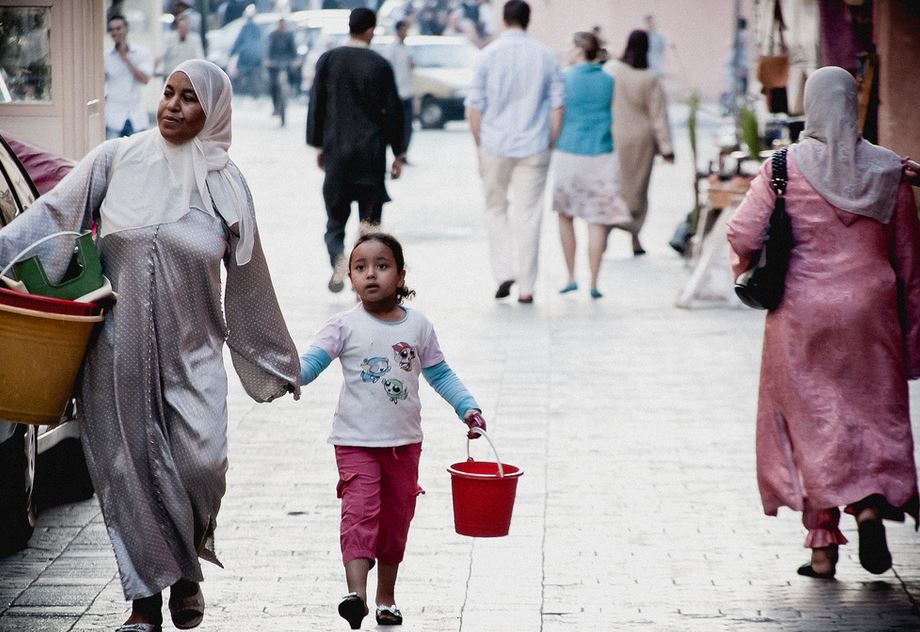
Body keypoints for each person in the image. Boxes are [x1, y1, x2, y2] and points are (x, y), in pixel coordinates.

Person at [0, 59, 301, 631]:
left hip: (194, 352)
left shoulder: (227, 184)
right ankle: (145, 602)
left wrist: (272, 359)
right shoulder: (116, 160)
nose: (173, 106)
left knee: (200, 466)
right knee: (127, 472)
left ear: (212, 112)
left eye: (190, 98)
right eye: (168, 93)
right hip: (116, 353)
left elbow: (251, 279)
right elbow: (52, 215)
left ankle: (187, 571)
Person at [726, 66, 920, 580]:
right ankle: (870, 506)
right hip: (872, 315)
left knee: (813, 423)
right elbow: (910, 263)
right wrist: (914, 341)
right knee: (873, 417)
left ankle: (821, 551)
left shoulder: (783, 167)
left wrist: (748, 268)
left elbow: (743, 232)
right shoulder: (889, 171)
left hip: (803, 314)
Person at [298, 231, 486, 630]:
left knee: (395, 520)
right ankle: (357, 595)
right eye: (361, 267)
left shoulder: (418, 326)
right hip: (354, 442)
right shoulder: (342, 326)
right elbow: (310, 365)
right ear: (350, 277)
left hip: (404, 445)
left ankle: (386, 597)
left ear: (400, 276)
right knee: (359, 512)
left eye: (382, 266)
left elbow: (440, 373)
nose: (371, 275)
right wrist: (285, 375)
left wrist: (467, 408)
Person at [464, 0, 564, 304]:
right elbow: (558, 106)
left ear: (504, 21)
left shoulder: (487, 55)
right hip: (535, 145)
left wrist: (479, 144)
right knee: (529, 215)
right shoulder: (546, 56)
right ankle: (527, 288)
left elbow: (473, 108)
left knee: (495, 209)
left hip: (494, 144)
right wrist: (550, 142)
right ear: (528, 20)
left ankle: (504, 270)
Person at [306, 8, 405, 294]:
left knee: (335, 220)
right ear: (370, 30)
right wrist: (398, 152)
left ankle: (339, 257)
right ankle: (365, 278)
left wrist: (318, 145)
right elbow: (394, 114)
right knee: (370, 226)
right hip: (371, 157)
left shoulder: (329, 61)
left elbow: (317, 106)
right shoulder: (379, 66)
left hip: (337, 154)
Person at [552, 32, 629, 299]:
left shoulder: (565, 77)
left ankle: (571, 276)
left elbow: (557, 113)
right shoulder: (609, 80)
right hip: (601, 154)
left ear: (578, 50)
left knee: (566, 215)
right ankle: (594, 281)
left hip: (569, 152)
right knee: (597, 220)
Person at [603, 30, 673, 255]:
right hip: (642, 142)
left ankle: (605, 233)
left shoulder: (612, 70)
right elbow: (658, 115)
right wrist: (667, 148)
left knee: (614, 186)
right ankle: (635, 238)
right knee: (637, 191)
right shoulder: (649, 77)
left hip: (615, 137)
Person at [105, 14, 153, 139]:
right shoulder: (106, 56)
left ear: (126, 29)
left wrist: (126, 58)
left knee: (138, 156)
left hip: (136, 116)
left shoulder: (141, 52)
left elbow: (145, 79)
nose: (115, 32)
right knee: (114, 156)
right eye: (112, 30)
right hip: (114, 116)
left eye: (118, 28)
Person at [383, 20, 415, 162]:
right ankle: (397, 153)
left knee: (408, 126)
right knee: (397, 126)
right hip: (396, 92)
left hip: (407, 91)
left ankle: (403, 153)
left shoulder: (407, 48)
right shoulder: (391, 49)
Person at [265, 18, 300, 121]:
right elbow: (269, 50)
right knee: (273, 85)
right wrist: (267, 60)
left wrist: (296, 60)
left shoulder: (290, 36)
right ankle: (275, 106)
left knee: (294, 74)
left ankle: (294, 89)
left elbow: (294, 51)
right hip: (275, 63)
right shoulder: (272, 36)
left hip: (287, 62)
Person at [229, 6, 264, 96]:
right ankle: (255, 93)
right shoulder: (257, 28)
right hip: (256, 57)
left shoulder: (245, 27)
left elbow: (238, 41)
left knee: (241, 73)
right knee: (254, 76)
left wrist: (232, 52)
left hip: (246, 56)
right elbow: (261, 43)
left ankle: (240, 92)